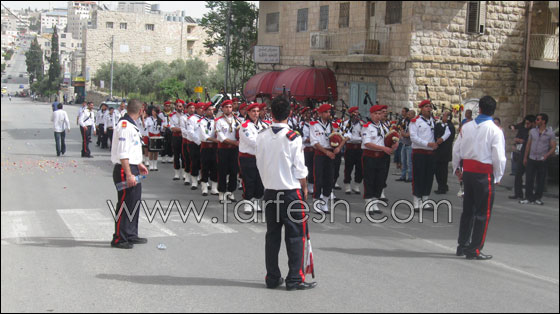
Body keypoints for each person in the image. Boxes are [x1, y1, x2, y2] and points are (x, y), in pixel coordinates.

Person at [256, 96, 316, 291]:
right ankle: (294, 279)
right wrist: (305, 187)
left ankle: (272, 277)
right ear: (290, 114)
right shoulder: (293, 137)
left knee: (272, 235)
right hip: (290, 193)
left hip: (271, 192)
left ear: (271, 114)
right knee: (296, 235)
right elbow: (300, 169)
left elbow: (259, 163)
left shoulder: (262, 135)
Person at [452, 95, 506, 260]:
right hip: (484, 173)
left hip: (468, 172)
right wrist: (498, 175)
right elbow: (499, 157)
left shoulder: (466, 127)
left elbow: (456, 149)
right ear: (493, 111)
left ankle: (462, 245)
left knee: (468, 210)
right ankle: (474, 249)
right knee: (483, 213)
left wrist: (457, 168)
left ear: (479, 109)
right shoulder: (495, 130)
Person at [110, 99, 150, 249]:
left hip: (131, 166)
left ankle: (131, 234)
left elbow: (130, 149)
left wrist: (138, 163)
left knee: (133, 203)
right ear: (141, 111)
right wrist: (128, 174)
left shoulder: (131, 125)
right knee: (125, 204)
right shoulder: (125, 126)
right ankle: (119, 237)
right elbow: (123, 153)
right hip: (124, 169)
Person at [410, 100, 450, 211]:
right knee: (418, 176)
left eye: (430, 107)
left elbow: (448, 131)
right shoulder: (415, 121)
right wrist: (428, 144)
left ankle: (426, 200)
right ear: (421, 108)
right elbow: (413, 138)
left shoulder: (435, 121)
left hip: (431, 153)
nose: (429, 109)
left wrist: (441, 140)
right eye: (426, 107)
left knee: (428, 177)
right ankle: (416, 201)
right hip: (419, 153)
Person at [362, 105, 398, 213]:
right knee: (369, 180)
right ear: (371, 114)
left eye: (379, 114)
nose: (378, 116)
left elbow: (390, 138)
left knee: (380, 180)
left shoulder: (384, 126)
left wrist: (394, 144)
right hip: (370, 156)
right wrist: (383, 148)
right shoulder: (367, 126)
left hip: (381, 157)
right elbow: (367, 143)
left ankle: (375, 203)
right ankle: (369, 204)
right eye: (375, 114)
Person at [310, 104, 346, 213]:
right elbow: (314, 142)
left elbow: (344, 136)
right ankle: (316, 203)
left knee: (329, 179)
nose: (328, 114)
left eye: (329, 112)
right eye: (325, 112)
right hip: (320, 154)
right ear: (320, 113)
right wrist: (326, 152)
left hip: (331, 154)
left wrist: (339, 147)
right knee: (318, 179)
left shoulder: (334, 125)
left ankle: (325, 203)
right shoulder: (314, 125)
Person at [520, 113, 556, 205]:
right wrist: (525, 157)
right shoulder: (532, 131)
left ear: (543, 121)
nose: (536, 121)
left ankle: (537, 197)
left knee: (540, 180)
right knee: (529, 179)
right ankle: (528, 197)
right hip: (532, 158)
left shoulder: (550, 133)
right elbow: (528, 144)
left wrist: (546, 155)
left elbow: (553, 147)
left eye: (538, 119)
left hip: (542, 159)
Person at [239, 103, 267, 213]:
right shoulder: (245, 125)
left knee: (259, 181)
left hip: (260, 157)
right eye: (253, 111)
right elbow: (251, 141)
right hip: (248, 157)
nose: (256, 114)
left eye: (257, 111)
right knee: (249, 180)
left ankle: (256, 200)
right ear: (248, 113)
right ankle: (247, 202)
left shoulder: (263, 125)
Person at [215, 99, 241, 201]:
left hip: (234, 150)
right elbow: (220, 136)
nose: (229, 109)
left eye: (230, 107)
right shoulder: (219, 121)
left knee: (234, 171)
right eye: (226, 107)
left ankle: (231, 192)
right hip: (223, 149)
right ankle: (221, 192)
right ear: (222, 109)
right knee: (222, 171)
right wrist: (233, 142)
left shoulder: (237, 120)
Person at [509, 115, 536, 200]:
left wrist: (521, 140)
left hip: (531, 155)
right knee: (518, 174)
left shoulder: (534, 131)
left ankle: (529, 195)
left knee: (529, 176)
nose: (526, 125)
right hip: (523, 153)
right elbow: (518, 136)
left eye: (528, 123)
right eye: (526, 123)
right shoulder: (524, 129)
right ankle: (518, 193)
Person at [198, 102, 219, 196]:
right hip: (206, 147)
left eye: (212, 110)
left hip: (215, 147)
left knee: (215, 167)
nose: (211, 112)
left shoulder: (216, 121)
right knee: (205, 167)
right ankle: (204, 187)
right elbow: (203, 135)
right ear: (205, 111)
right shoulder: (201, 121)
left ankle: (214, 187)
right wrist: (215, 139)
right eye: (209, 110)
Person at [342, 106, 364, 195]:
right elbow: (345, 135)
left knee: (360, 168)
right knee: (348, 167)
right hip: (350, 148)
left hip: (359, 148)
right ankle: (347, 185)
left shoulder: (361, 124)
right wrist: (356, 138)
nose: (357, 114)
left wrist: (355, 138)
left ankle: (356, 185)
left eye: (357, 112)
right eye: (354, 112)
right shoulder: (346, 123)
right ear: (351, 113)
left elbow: (363, 136)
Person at [434, 111, 456, 194]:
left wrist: (439, 140)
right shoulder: (439, 125)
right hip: (438, 152)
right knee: (437, 170)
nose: (442, 116)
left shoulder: (450, 127)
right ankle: (442, 185)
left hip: (444, 152)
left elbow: (446, 137)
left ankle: (442, 187)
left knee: (442, 171)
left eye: (444, 115)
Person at [186, 103, 204, 190]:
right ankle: (194, 181)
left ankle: (203, 179)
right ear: (196, 109)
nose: (202, 110)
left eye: (204, 108)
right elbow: (190, 132)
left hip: (204, 143)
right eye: (200, 108)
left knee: (204, 162)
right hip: (194, 143)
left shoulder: (205, 119)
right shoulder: (191, 119)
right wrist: (199, 142)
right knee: (195, 162)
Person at [397, 109, 415, 182]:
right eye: (407, 114)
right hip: (404, 144)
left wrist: (403, 134)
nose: (408, 116)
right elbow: (402, 130)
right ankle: (403, 176)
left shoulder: (414, 123)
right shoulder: (406, 122)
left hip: (410, 145)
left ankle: (410, 177)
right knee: (403, 161)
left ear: (413, 115)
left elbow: (409, 134)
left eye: (409, 114)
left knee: (409, 162)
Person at [169, 100, 185, 180]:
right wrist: (181, 129)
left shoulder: (185, 116)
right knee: (176, 155)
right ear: (175, 107)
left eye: (181, 106)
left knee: (184, 155)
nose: (179, 108)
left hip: (184, 137)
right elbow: (172, 128)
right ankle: (176, 173)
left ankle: (185, 173)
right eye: (178, 106)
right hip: (176, 137)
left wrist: (180, 129)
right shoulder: (172, 116)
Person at [145, 106, 163, 171]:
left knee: (156, 151)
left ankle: (155, 165)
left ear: (156, 112)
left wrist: (163, 127)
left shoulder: (159, 120)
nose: (153, 112)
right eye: (152, 111)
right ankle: (150, 165)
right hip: (151, 135)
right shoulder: (149, 119)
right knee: (151, 151)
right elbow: (145, 125)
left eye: (154, 111)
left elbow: (161, 129)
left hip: (157, 135)